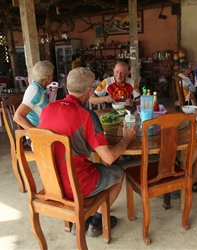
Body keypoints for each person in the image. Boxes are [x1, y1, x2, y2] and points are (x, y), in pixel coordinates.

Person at [38, 67, 138, 237]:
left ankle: (82, 217)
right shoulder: (86, 116)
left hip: (50, 182)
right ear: (90, 90)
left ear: (67, 86)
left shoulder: (47, 109)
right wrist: (126, 139)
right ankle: (97, 222)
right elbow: (110, 157)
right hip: (77, 185)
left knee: (94, 165)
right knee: (119, 173)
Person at [14, 60, 54, 131]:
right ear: (48, 77)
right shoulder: (34, 91)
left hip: (45, 131)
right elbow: (18, 117)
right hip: (37, 136)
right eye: (52, 75)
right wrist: (36, 134)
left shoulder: (39, 89)